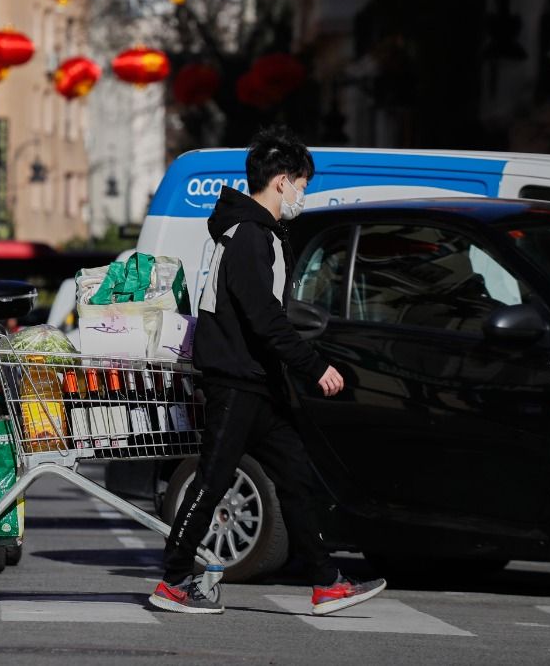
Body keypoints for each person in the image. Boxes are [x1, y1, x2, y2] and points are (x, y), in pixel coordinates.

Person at [150, 126, 385, 616]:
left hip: (256, 381)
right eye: (303, 183)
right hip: (237, 380)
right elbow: (262, 315)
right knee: (212, 480)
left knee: (296, 476)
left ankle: (325, 582)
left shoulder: (251, 232)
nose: (304, 193)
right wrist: (313, 364)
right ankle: (172, 581)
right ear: (281, 182)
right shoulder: (251, 236)